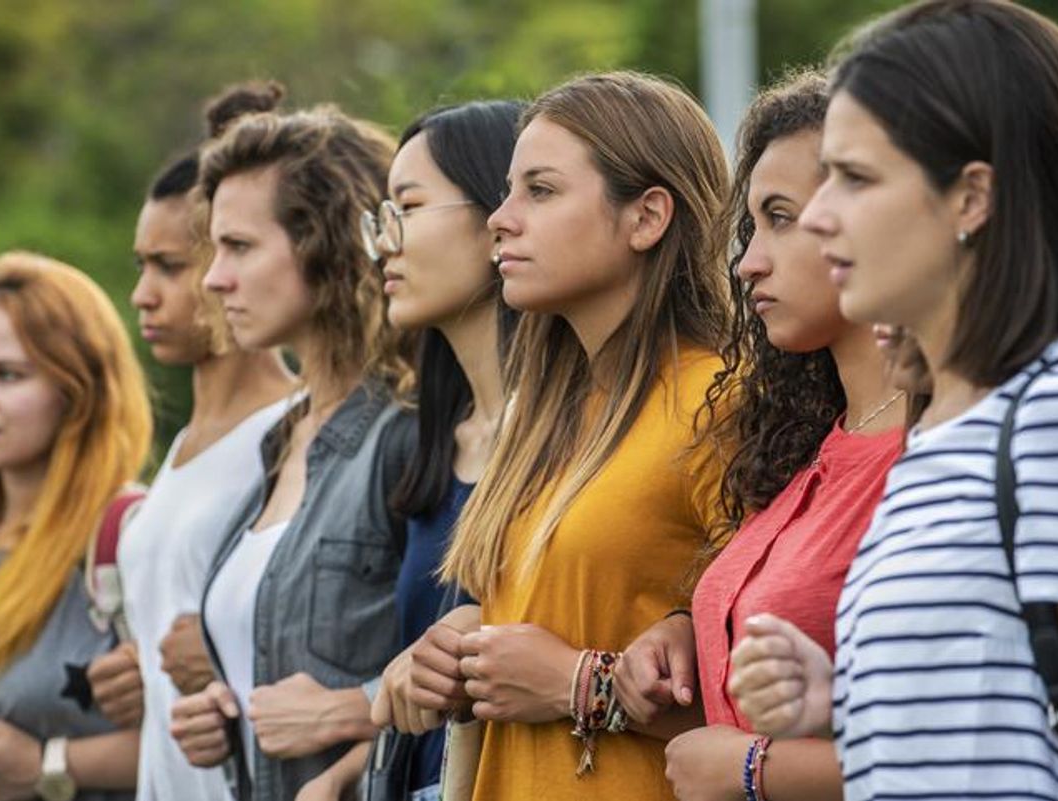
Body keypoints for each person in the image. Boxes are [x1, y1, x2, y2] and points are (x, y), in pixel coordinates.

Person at [729, 3, 1058, 800]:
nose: (822, 215)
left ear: (971, 198)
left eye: (856, 178)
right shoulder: (942, 427)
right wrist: (839, 698)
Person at [410, 71, 734, 801]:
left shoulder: (721, 402)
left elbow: (771, 703)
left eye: (541, 191)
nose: (501, 219)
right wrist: (462, 649)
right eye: (508, 191)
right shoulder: (543, 415)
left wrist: (577, 683)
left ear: (647, 217)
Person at [612, 69, 905, 801]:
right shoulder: (808, 445)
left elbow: (985, 747)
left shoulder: (943, 450)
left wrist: (754, 769)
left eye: (782, 217)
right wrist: (689, 628)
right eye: (753, 226)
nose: (748, 263)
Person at [168, 105, 416, 801]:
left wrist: (354, 707)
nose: (214, 278)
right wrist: (225, 715)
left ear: (326, 245)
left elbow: (478, 642)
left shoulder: (406, 432)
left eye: (240, 247)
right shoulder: (280, 439)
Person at [86, 80, 296, 801]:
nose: (142, 294)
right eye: (141, 265)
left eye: (169, 266)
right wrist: (135, 673)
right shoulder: (179, 449)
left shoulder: (295, 431)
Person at [314, 99, 523, 801]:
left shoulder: (570, 436)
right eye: (380, 217)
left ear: (500, 214)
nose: (383, 245)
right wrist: (348, 773)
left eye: (407, 207)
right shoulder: (435, 442)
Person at [0, 251, 151, 801]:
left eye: (6, 375)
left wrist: (52, 764)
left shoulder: (133, 537)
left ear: (77, 391)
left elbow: (209, 739)